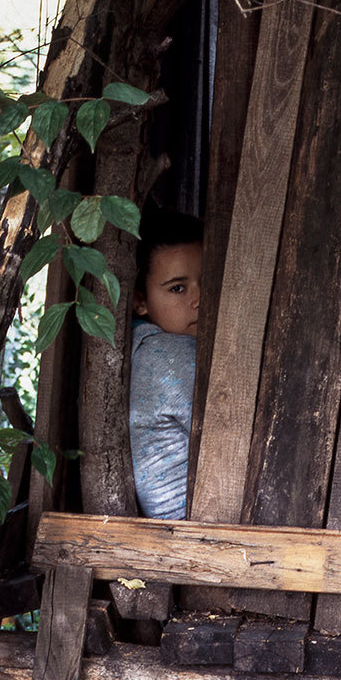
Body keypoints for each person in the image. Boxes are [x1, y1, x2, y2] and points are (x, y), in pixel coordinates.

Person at [129, 208, 202, 520]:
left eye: (206, 281)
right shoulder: (166, 355)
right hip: (191, 529)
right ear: (140, 302)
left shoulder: (144, 343)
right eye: (177, 288)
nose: (199, 299)